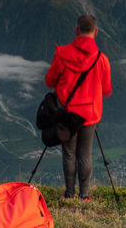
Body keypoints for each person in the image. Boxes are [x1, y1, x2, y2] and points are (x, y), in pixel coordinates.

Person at [45, 14, 113, 200]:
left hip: (68, 114)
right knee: (85, 154)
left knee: (69, 153)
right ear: (96, 32)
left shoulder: (61, 54)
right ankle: (84, 196)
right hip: (90, 114)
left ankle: (69, 193)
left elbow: (49, 80)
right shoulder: (101, 59)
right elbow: (106, 89)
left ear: (76, 31)